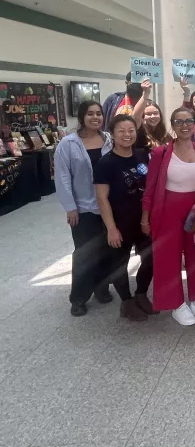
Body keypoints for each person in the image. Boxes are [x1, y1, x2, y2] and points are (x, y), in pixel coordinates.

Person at [141, 107, 195, 325]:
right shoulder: (160, 153)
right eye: (179, 122)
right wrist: (145, 218)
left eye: (189, 121)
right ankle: (175, 303)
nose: (185, 126)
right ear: (172, 125)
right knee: (168, 258)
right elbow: (150, 188)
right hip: (167, 212)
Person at [54, 100, 113, 316]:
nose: (95, 117)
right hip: (83, 208)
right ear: (82, 117)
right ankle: (78, 298)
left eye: (99, 113)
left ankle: (101, 287)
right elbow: (62, 178)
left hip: (108, 207)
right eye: (90, 114)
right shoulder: (68, 144)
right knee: (84, 254)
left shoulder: (109, 139)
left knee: (107, 251)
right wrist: (70, 207)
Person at [93, 115, 154, 321]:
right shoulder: (105, 163)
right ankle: (126, 302)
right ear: (113, 134)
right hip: (120, 223)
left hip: (143, 221)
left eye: (131, 130)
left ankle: (141, 294)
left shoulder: (141, 156)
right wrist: (111, 228)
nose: (127, 135)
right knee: (120, 264)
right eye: (121, 131)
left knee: (150, 258)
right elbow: (102, 198)